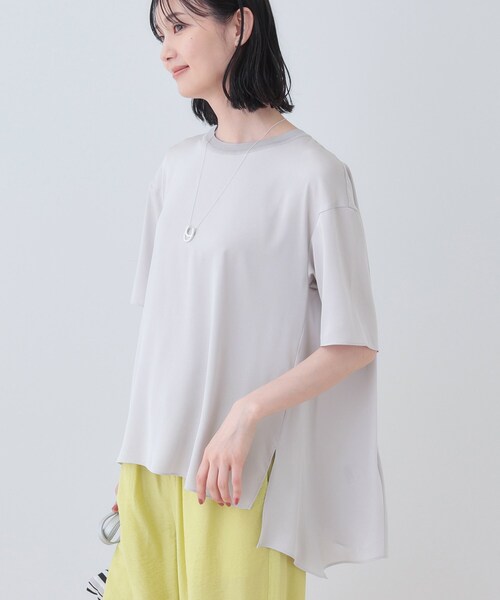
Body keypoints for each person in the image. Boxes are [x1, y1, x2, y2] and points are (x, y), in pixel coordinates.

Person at [102, 0, 387, 598]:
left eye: (180, 26)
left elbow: (354, 342)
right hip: (149, 466)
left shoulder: (314, 174)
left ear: (239, 24)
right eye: (160, 33)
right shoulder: (174, 168)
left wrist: (247, 413)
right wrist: (132, 456)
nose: (165, 50)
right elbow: (162, 335)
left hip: (237, 472)